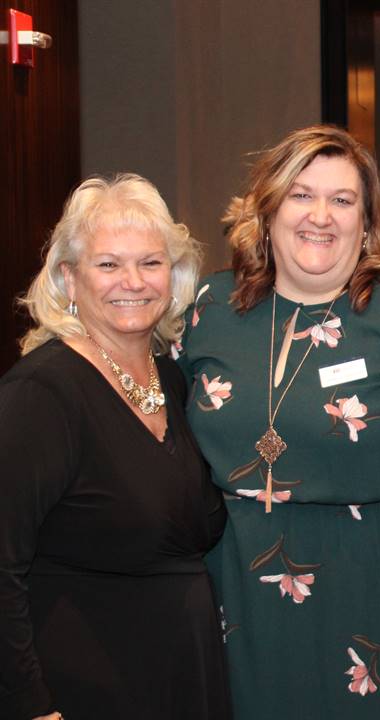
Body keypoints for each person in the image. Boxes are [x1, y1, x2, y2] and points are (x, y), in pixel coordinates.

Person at [175, 124, 380, 719]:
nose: (320, 215)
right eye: (301, 195)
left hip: (364, 604)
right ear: (268, 211)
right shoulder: (211, 308)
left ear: (366, 224)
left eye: (342, 200)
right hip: (227, 598)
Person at [0, 174, 228, 719]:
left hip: (181, 679)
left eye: (151, 263)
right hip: (81, 692)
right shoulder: (42, 393)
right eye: (108, 264)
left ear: (173, 277)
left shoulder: (173, 380)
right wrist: (31, 706)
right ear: (69, 278)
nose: (133, 281)